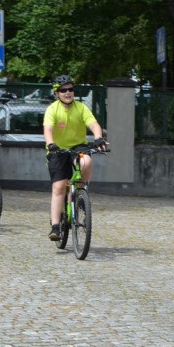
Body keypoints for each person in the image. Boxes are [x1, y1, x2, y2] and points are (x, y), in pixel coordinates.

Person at [42, 74, 107, 240]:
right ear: (57, 93)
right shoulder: (52, 109)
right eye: (63, 90)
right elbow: (48, 130)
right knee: (59, 187)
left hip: (78, 146)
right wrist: (51, 144)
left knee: (86, 161)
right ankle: (55, 226)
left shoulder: (81, 107)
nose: (68, 93)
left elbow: (94, 124)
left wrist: (98, 138)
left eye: (70, 89)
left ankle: (81, 192)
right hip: (57, 149)